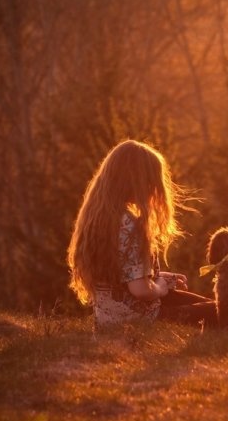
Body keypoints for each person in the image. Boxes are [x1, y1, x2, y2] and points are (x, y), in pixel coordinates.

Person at [67, 139, 216, 328]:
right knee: (223, 309)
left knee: (209, 305)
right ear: (136, 181)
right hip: (142, 318)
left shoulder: (99, 219)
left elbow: (124, 274)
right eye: (151, 181)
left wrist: (159, 276)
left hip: (108, 319)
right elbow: (140, 290)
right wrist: (160, 287)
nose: (155, 189)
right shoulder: (130, 224)